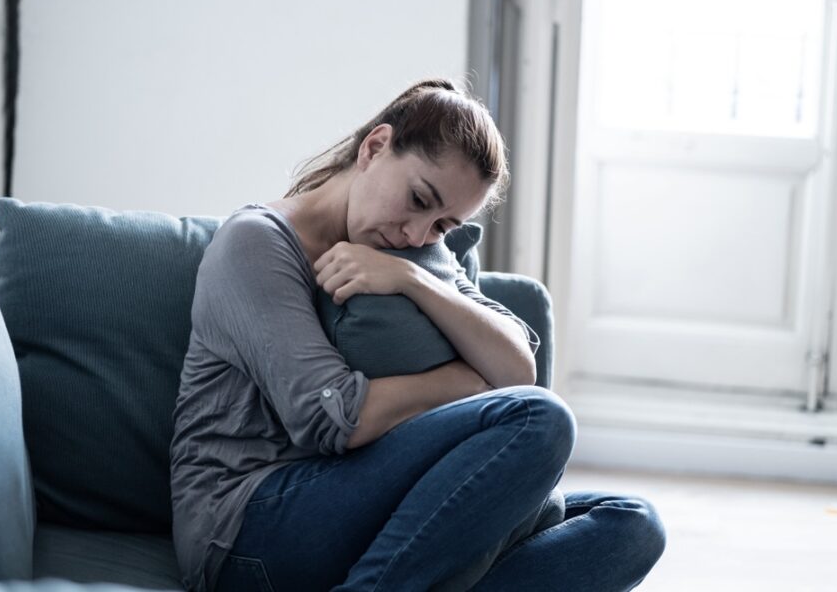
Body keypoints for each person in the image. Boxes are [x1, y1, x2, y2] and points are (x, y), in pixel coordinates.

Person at [169, 77, 666, 592]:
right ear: (375, 147)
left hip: (367, 508)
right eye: (417, 198)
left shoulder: (413, 252)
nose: (415, 233)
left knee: (633, 525)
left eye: (442, 226)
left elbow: (518, 369)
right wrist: (469, 383)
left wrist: (414, 280)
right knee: (541, 421)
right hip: (245, 527)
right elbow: (332, 418)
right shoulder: (255, 243)